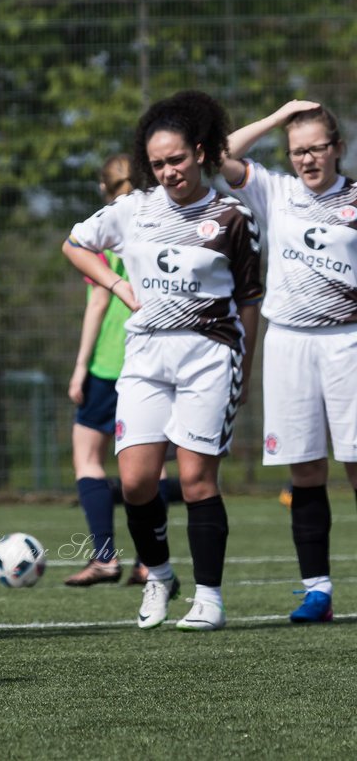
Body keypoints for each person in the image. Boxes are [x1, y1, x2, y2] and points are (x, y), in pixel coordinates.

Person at [64, 90, 263, 631]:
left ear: (200, 152)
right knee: (134, 481)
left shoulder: (232, 216)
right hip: (146, 356)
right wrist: (116, 284)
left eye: (176, 159)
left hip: (209, 355)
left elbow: (249, 300)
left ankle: (210, 597)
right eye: (157, 164)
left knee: (198, 479)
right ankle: (159, 575)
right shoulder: (134, 209)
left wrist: (247, 364)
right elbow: (76, 243)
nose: (168, 171)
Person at [221, 99, 357, 623]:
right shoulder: (275, 191)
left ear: (338, 148)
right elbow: (219, 154)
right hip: (289, 343)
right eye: (298, 150)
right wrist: (281, 116)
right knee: (305, 470)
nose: (307, 159)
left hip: (347, 341)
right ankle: (316, 590)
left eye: (317, 148)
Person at [64, 155, 154, 587]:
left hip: (110, 362)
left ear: (105, 188)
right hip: (149, 359)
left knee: (87, 457)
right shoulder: (157, 214)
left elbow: (100, 301)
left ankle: (105, 557)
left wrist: (80, 366)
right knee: (143, 467)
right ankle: (149, 559)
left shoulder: (109, 225)